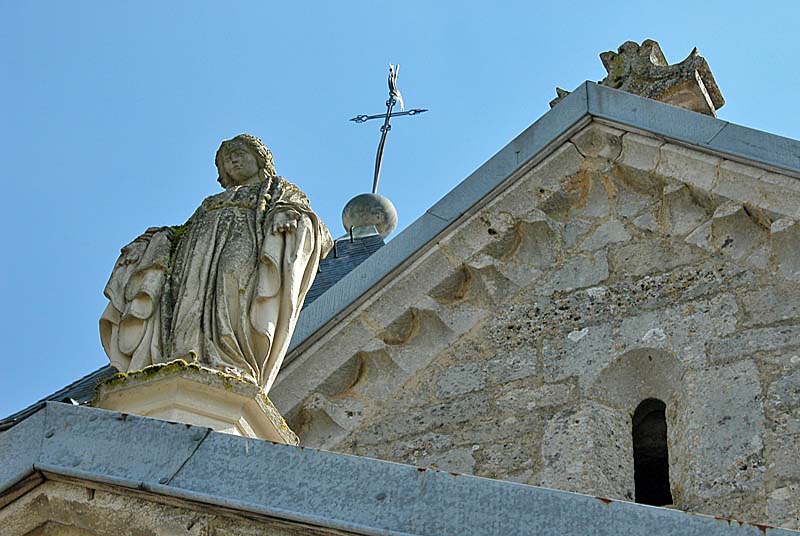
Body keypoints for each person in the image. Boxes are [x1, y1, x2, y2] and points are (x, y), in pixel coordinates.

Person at [100, 134, 332, 392]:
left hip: (244, 240)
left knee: (232, 286)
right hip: (198, 253)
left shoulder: (278, 188)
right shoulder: (210, 202)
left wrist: (284, 215)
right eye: (226, 159)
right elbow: (181, 232)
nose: (233, 160)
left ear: (259, 159)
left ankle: (229, 358)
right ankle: (188, 352)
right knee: (191, 298)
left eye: (239, 153)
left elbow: (302, 215)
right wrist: (151, 241)